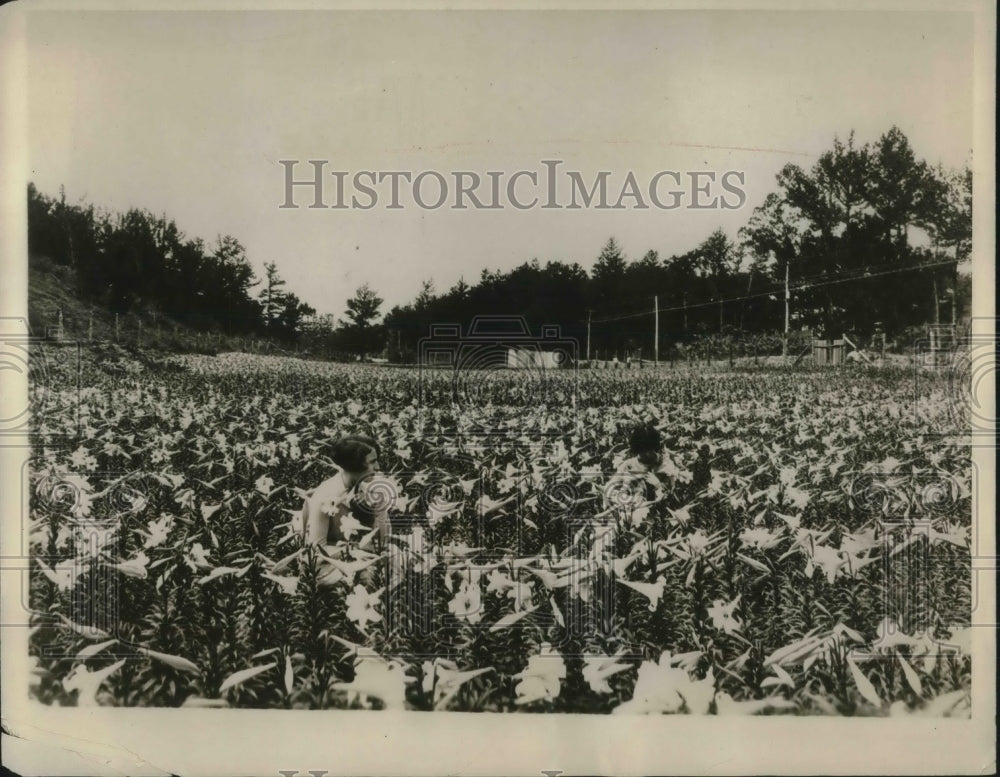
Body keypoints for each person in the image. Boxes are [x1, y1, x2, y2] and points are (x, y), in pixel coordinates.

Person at [302, 435, 390, 548]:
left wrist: (374, 514)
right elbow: (316, 550)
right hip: (331, 563)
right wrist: (355, 551)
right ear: (354, 465)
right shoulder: (324, 497)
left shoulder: (375, 491)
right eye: (372, 462)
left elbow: (384, 542)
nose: (378, 467)